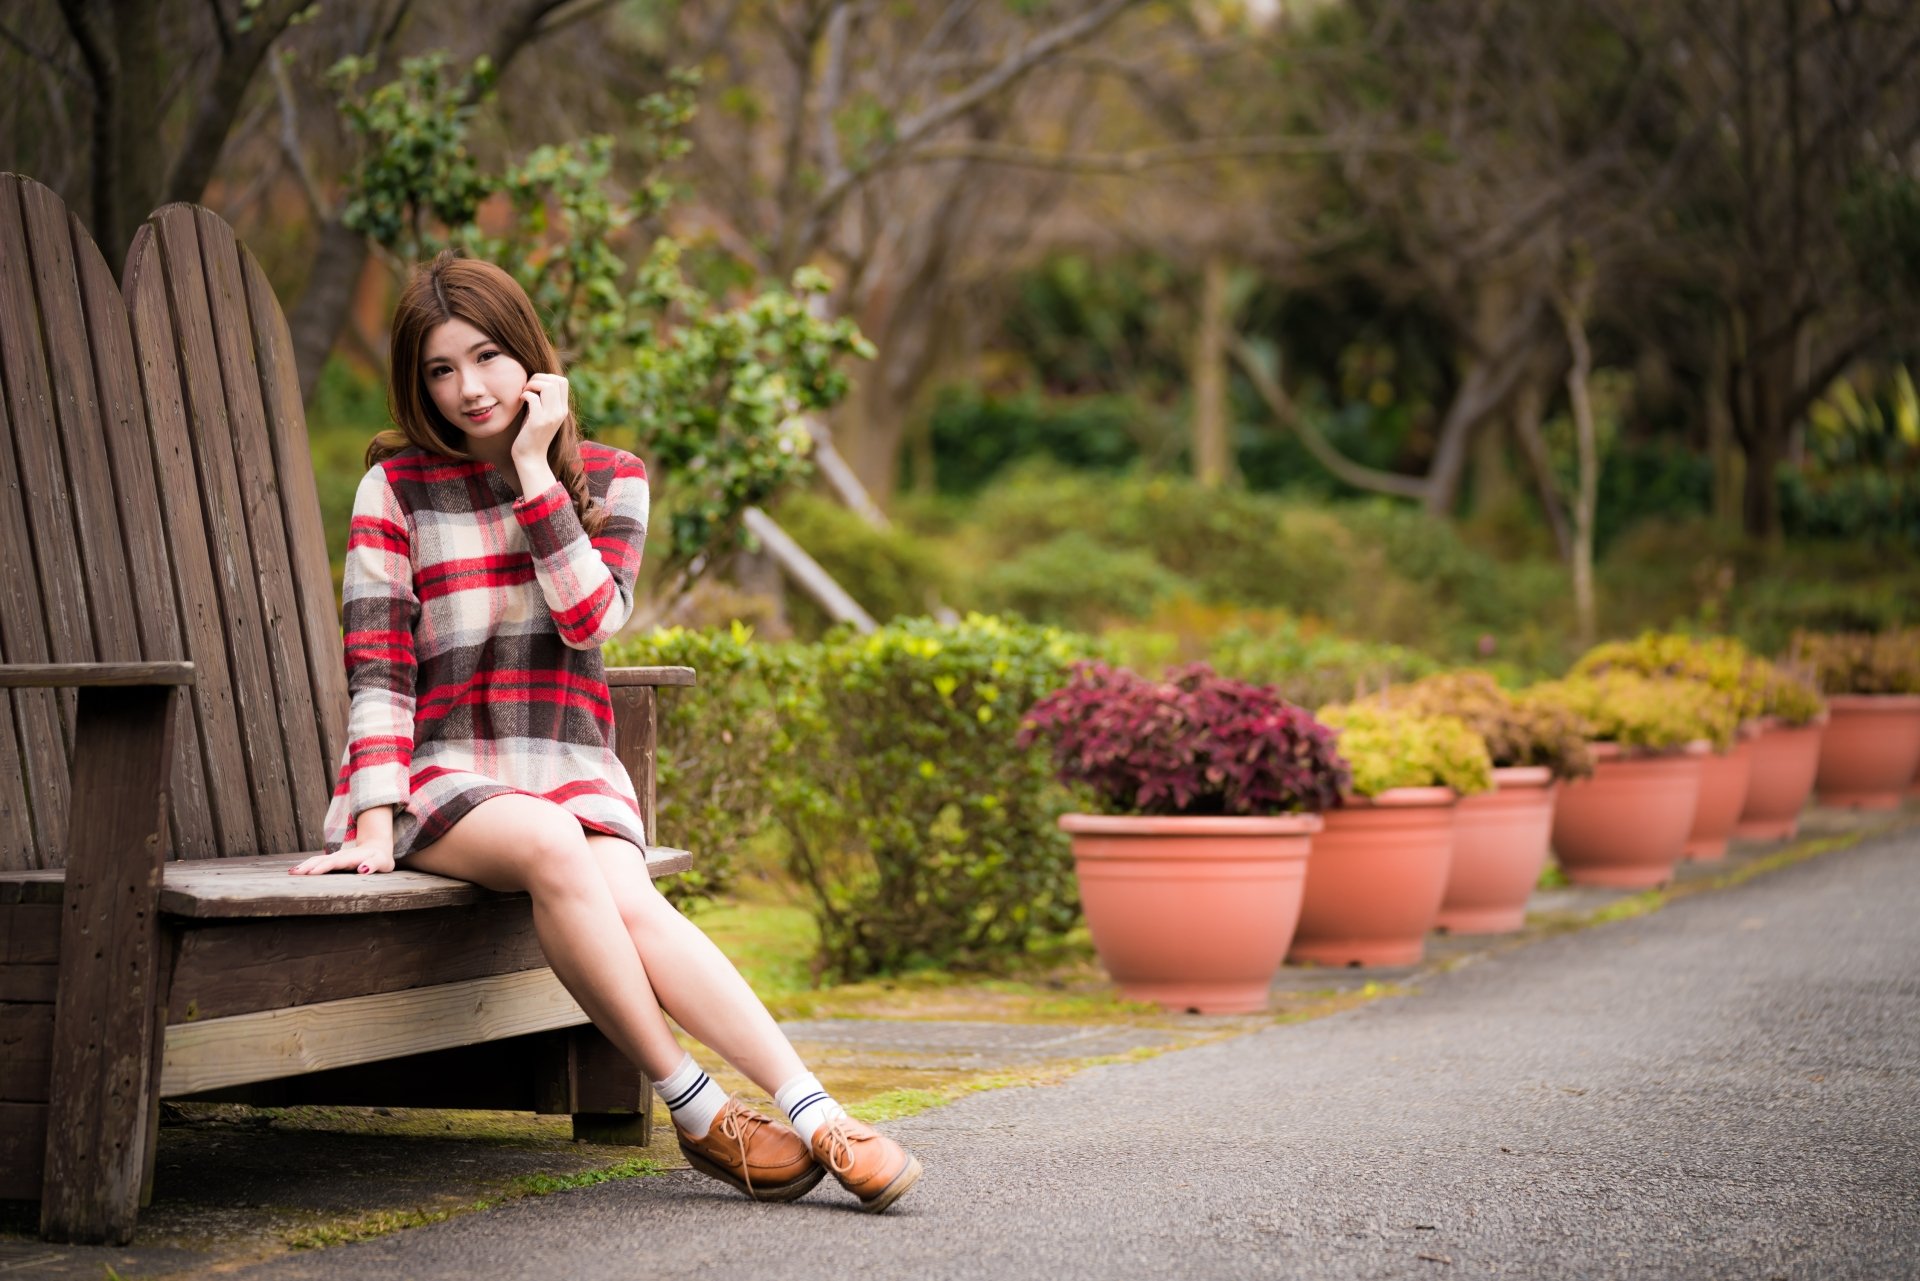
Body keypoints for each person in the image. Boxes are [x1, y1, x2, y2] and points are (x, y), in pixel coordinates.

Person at [288, 250, 920, 1213]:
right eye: (440, 370)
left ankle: (814, 1108)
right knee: (550, 845)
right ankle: (698, 1103)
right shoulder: (397, 489)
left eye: (488, 357)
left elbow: (592, 619)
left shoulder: (614, 479)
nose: (468, 388)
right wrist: (372, 821)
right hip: (440, 775)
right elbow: (378, 662)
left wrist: (536, 472)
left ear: (531, 355)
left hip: (571, 764)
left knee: (631, 896)